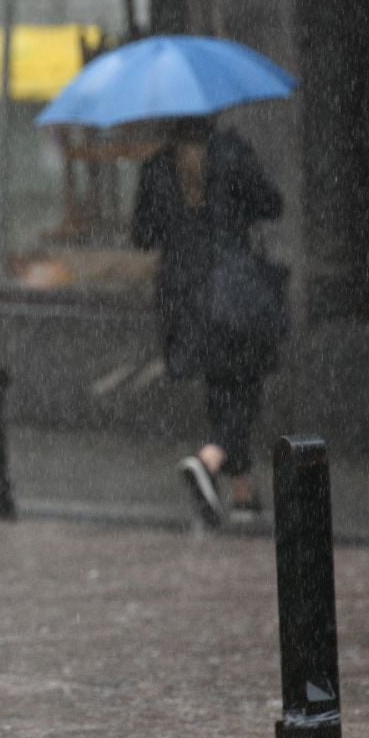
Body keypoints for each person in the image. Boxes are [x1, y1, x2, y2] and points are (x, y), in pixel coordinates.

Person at [130, 116, 284, 527]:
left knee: (222, 384)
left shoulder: (157, 167)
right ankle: (211, 457)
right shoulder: (232, 155)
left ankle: (244, 491)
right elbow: (272, 204)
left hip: (183, 293)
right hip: (231, 286)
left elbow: (142, 235)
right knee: (245, 383)